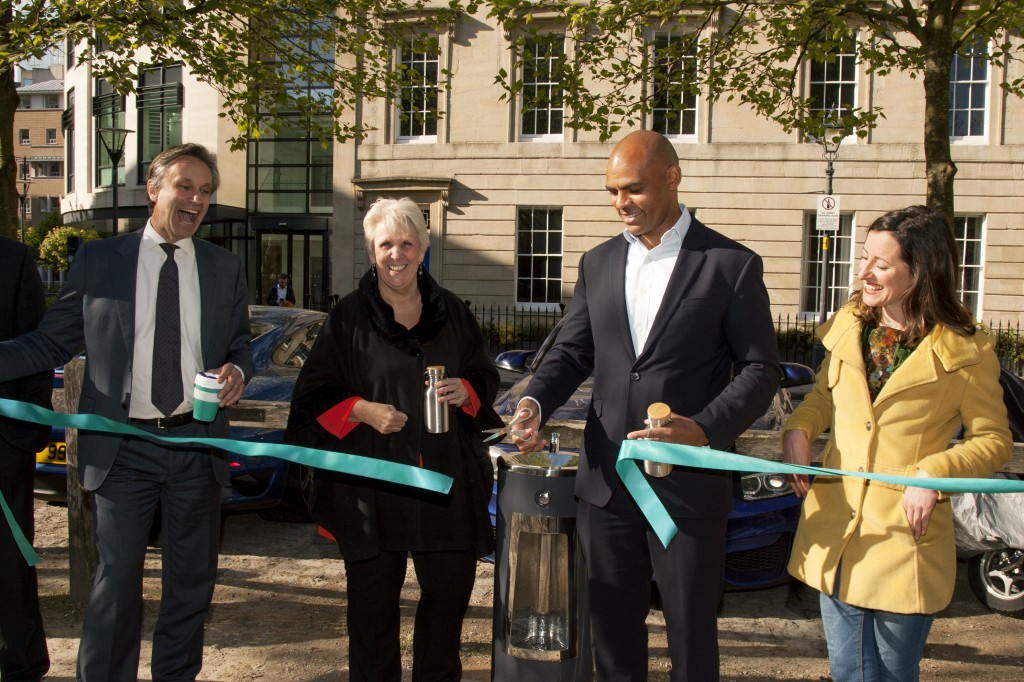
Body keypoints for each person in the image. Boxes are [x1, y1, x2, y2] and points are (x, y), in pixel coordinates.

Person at [515, 130, 781, 680]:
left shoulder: (731, 265)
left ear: (672, 177)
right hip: (605, 486)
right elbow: (571, 351)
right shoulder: (597, 262)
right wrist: (535, 401)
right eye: (612, 191)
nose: (621, 204)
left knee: (690, 636)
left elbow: (761, 370)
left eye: (632, 189)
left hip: (687, 487)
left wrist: (704, 428)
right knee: (611, 638)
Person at [0, 143, 254, 682]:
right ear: (153, 191)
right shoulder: (99, 262)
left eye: (206, 191)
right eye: (185, 186)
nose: (196, 199)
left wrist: (237, 371)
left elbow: (239, 348)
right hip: (123, 451)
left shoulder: (225, 268)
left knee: (191, 588)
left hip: (197, 445)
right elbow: (49, 345)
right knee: (115, 586)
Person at [781, 205, 1012, 681]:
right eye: (864, 258)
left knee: (890, 673)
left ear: (920, 271)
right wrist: (797, 431)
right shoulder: (850, 323)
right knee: (850, 672)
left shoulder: (967, 350)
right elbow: (823, 398)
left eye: (881, 265)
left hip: (905, 541)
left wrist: (935, 473)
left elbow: (994, 441)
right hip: (836, 534)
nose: (863, 272)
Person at [284, 197, 502, 681]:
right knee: (371, 617)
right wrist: (361, 410)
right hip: (371, 488)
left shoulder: (455, 314)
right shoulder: (347, 319)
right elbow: (312, 396)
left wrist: (466, 391)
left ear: (423, 249)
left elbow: (485, 380)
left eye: (407, 243)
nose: (397, 254)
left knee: (446, 608)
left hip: (445, 486)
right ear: (371, 251)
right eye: (387, 244)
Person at [0, 237, 52, 682]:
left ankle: (22, 666)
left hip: (2, 451)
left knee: (10, 571)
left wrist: (22, 438)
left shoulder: (11, 259)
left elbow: (37, 347)